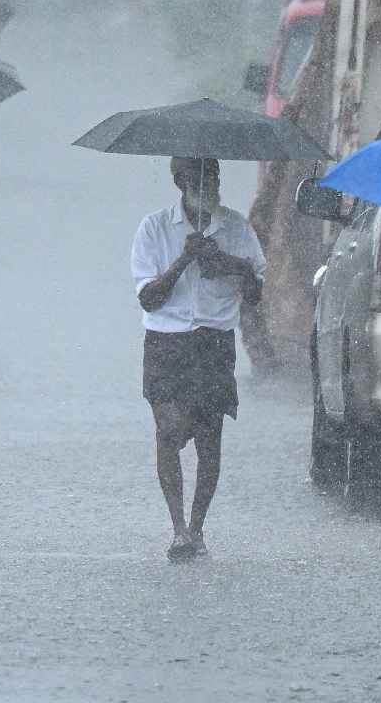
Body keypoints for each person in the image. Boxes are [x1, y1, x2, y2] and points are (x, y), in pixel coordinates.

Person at [130, 157, 267, 561]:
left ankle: (196, 527)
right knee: (168, 431)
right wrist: (184, 259)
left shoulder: (237, 229)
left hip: (213, 342)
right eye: (199, 176)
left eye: (214, 175)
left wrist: (230, 264)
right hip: (166, 342)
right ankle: (177, 529)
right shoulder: (154, 228)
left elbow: (255, 295)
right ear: (179, 181)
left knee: (209, 439)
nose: (210, 184)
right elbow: (148, 298)